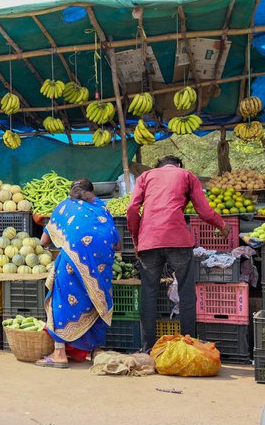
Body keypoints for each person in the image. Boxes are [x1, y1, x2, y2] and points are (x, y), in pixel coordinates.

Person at [126, 155, 228, 351]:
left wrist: (136, 239)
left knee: (148, 294)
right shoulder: (186, 175)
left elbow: (132, 209)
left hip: (150, 240)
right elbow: (204, 211)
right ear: (179, 165)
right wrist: (221, 224)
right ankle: (188, 345)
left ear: (158, 165)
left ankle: (148, 349)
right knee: (186, 293)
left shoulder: (145, 176)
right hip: (178, 239)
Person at [35, 179, 119, 368]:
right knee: (97, 301)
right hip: (101, 266)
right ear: (93, 193)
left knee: (61, 300)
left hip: (73, 263)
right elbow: (117, 243)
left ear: (70, 193)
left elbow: (43, 241)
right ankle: (96, 350)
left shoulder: (65, 207)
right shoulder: (102, 209)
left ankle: (59, 354)